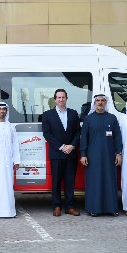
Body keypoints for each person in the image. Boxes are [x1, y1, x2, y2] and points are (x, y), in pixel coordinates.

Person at [80, 94, 123, 217]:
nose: (100, 103)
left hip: (109, 156)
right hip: (93, 157)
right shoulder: (88, 119)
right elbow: (84, 139)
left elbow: (118, 138)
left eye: (102, 100)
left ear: (106, 102)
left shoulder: (112, 118)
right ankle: (94, 208)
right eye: (98, 101)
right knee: (94, 182)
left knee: (110, 181)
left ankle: (112, 208)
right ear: (94, 103)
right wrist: (83, 154)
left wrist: (118, 153)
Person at [42, 89, 81, 217]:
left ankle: (70, 207)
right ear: (55, 99)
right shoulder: (47, 115)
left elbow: (77, 132)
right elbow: (47, 134)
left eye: (63, 97)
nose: (61, 99)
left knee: (70, 181)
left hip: (71, 152)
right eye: (58, 97)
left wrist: (73, 145)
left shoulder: (73, 113)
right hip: (57, 153)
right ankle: (57, 206)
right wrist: (61, 146)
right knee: (56, 181)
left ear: (66, 98)